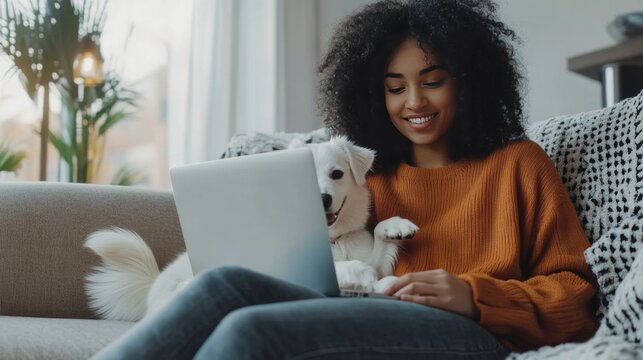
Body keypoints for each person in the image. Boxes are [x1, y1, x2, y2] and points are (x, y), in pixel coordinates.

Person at [92, 0, 598, 359]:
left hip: (474, 334)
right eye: (395, 88)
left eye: (432, 81)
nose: (413, 103)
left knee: (252, 331)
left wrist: (475, 295)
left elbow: (577, 299)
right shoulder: (364, 177)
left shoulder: (519, 164)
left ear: (469, 81)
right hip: (364, 310)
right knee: (224, 285)